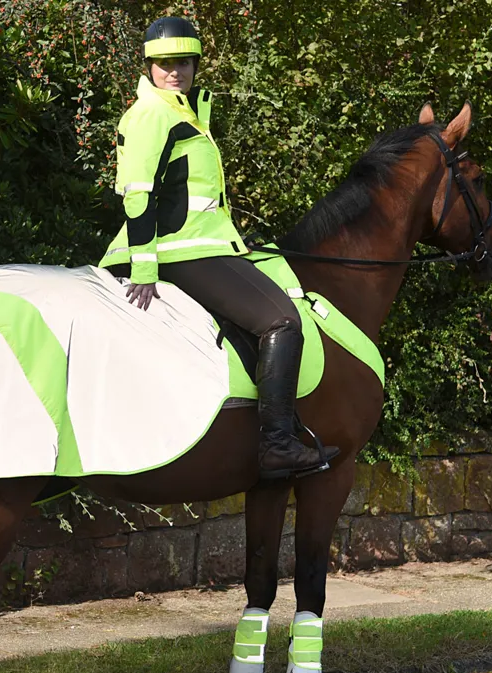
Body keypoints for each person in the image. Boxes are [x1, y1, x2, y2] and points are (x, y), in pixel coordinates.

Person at [98, 16, 339, 479]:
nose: (175, 71)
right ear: (149, 66)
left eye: (184, 62)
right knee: (284, 320)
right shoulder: (153, 114)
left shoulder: (187, 114)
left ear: (194, 64)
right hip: (175, 252)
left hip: (199, 245)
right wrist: (144, 269)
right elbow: (137, 194)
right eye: (165, 63)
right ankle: (277, 447)